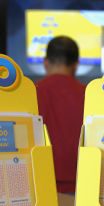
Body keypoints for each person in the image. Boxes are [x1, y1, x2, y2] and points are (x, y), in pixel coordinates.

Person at [35, 36, 86, 194]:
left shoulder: (30, 93)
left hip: (39, 187)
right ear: (76, 65)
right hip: (81, 188)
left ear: (45, 62)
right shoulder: (90, 96)